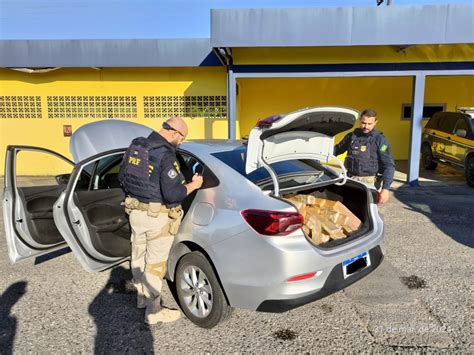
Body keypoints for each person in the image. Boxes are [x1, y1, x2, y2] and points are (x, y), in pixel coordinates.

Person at [119, 116, 203, 324]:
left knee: (138, 256)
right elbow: (173, 194)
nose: (181, 143)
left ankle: (142, 298)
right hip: (156, 217)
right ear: (175, 133)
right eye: (182, 139)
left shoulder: (137, 146)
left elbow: (122, 178)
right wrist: (194, 185)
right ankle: (154, 311)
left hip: (135, 213)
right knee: (155, 265)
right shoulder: (165, 155)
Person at [334, 108, 395, 204]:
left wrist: (386, 189)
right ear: (360, 121)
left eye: (369, 124)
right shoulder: (351, 136)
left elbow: (389, 165)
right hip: (350, 179)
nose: (366, 126)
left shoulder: (380, 140)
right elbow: (336, 150)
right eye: (363, 123)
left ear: (375, 122)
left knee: (366, 210)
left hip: (369, 182)